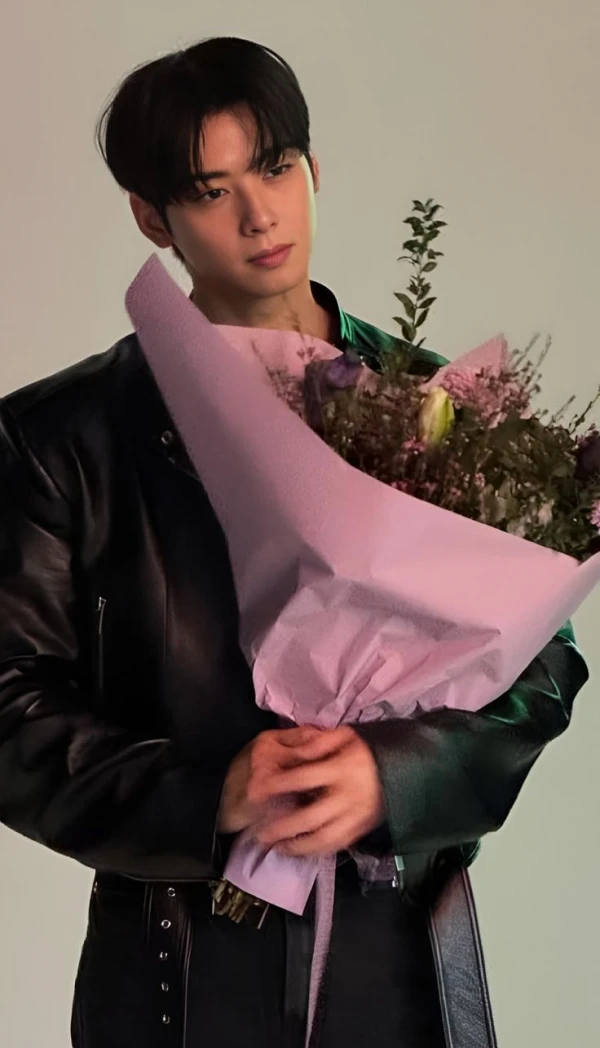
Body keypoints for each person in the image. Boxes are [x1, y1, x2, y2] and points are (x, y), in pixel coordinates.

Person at [0, 35, 589, 1048]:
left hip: (401, 950)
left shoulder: (439, 408)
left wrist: (395, 774)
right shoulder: (62, 436)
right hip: (176, 963)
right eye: (210, 190)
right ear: (153, 218)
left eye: (274, 168)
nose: (260, 215)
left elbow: (542, 669)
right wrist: (209, 796)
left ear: (315, 168)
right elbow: (9, 707)